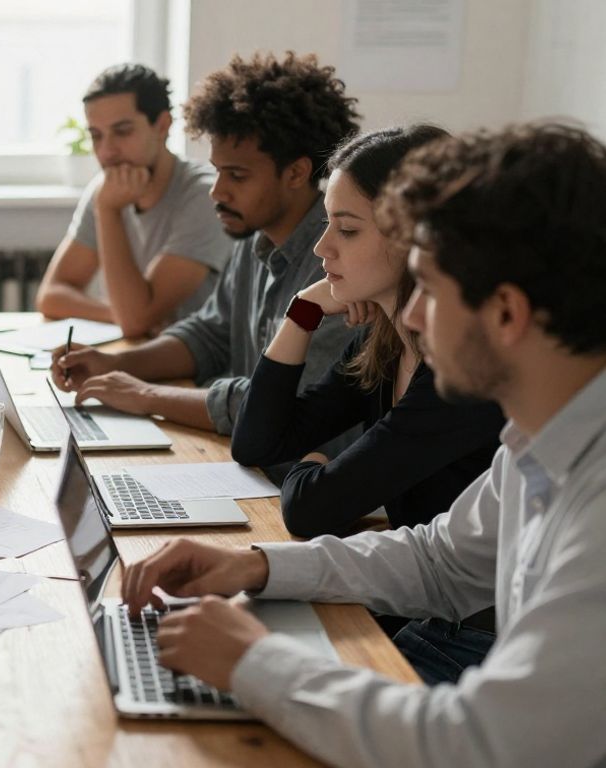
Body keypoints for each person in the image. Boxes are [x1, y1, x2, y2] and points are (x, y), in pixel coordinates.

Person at [120, 124, 606, 767]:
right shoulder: (535, 441)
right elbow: (442, 562)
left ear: (508, 314)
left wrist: (252, 661)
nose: (408, 316)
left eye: (428, 289)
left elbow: (483, 743)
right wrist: (259, 567)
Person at [53, 52, 360, 437]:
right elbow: (208, 336)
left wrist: (146, 395)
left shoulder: (336, 262)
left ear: (296, 172)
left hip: (293, 475)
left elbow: (279, 405)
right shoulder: (252, 242)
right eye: (217, 171)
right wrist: (114, 363)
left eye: (237, 175)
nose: (217, 191)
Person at [231, 126, 505, 538]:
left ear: (415, 239)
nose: (322, 247)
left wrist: (310, 465)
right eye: (327, 225)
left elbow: (311, 510)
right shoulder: (385, 343)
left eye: (347, 229)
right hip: (413, 584)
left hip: (463, 599)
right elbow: (256, 443)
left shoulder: (459, 373)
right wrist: (302, 312)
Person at [35, 63, 230, 338]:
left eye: (123, 131)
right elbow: (52, 295)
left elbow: (137, 321)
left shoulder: (205, 194)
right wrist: (115, 313)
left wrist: (109, 210)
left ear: (162, 126)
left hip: (198, 370)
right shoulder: (105, 190)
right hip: (143, 356)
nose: (107, 151)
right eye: (96, 136)